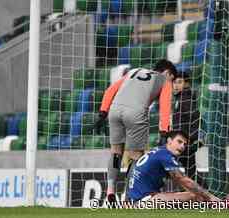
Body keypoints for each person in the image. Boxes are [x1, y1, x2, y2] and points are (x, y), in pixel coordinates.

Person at [94, 59, 179, 203]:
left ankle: (110, 191)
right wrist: (164, 132)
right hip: (135, 113)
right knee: (136, 157)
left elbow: (110, 91)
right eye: (173, 78)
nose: (173, 83)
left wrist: (102, 113)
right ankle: (129, 197)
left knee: (116, 152)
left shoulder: (133, 71)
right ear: (167, 73)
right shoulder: (165, 81)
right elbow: (165, 107)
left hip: (115, 110)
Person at [126, 130, 220, 203]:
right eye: (179, 142)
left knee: (194, 194)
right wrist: (209, 196)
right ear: (169, 141)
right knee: (195, 196)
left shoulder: (159, 151)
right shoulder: (166, 156)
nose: (182, 146)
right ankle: (218, 205)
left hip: (137, 199)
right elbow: (184, 180)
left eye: (184, 144)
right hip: (144, 201)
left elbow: (180, 181)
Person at [172, 72, 200, 180]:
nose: (176, 85)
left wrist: (192, 138)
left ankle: (206, 193)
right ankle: (205, 192)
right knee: (190, 171)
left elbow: (194, 117)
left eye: (179, 82)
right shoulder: (180, 98)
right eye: (174, 82)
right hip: (183, 140)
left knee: (189, 171)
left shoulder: (186, 98)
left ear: (187, 84)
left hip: (184, 141)